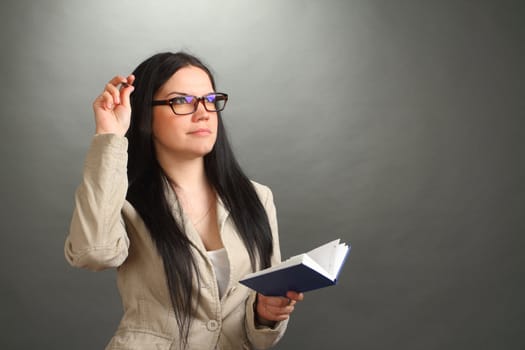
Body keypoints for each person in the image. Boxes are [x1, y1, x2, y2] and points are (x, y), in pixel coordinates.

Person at [64, 51, 303, 350]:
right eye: (182, 101)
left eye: (210, 100)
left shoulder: (256, 197)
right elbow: (93, 253)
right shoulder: (123, 197)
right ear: (146, 114)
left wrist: (264, 314)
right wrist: (110, 137)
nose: (202, 112)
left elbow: (259, 331)